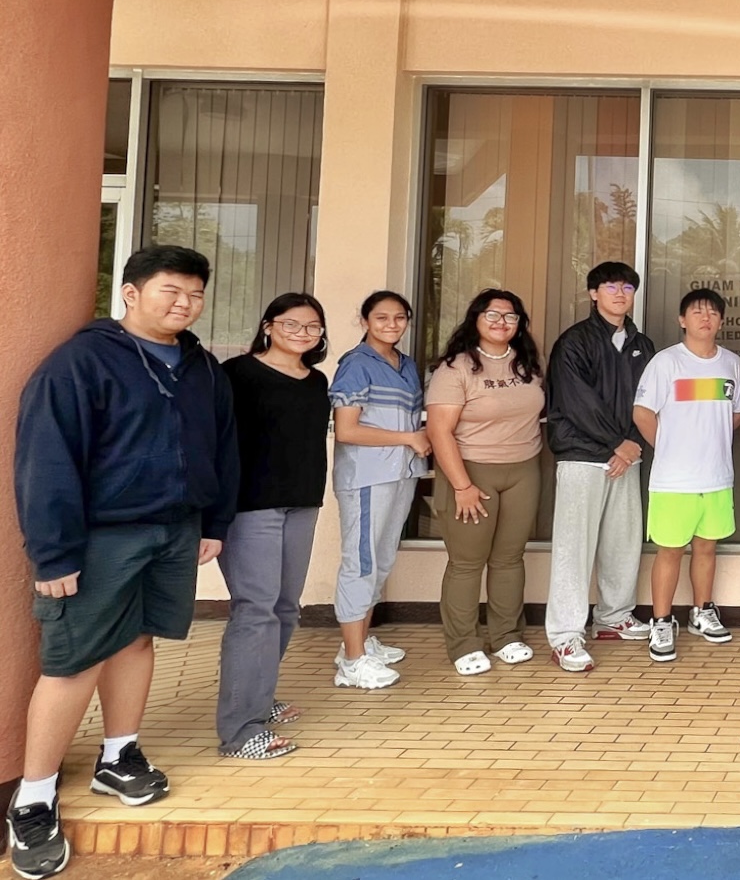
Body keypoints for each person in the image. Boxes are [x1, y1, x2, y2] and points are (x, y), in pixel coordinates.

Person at [8, 245, 238, 880]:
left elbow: (222, 445)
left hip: (176, 529)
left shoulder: (201, 366)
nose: (184, 303)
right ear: (131, 293)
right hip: (100, 537)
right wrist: (53, 552)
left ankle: (119, 755)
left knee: (138, 640)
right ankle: (33, 796)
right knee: (73, 657)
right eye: (170, 290)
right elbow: (45, 461)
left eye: (194, 293)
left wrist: (213, 522)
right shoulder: (80, 363)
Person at [215, 293, 330, 759]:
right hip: (252, 507)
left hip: (302, 503)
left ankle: (258, 697)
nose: (303, 334)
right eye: (293, 324)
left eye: (313, 327)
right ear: (268, 326)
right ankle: (240, 730)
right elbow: (218, 441)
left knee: (286, 608)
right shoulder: (238, 375)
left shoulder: (316, 380)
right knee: (255, 610)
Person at [425, 289, 545, 676]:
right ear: (475, 318)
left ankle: (507, 636)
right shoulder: (455, 367)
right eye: (492, 315)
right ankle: (464, 643)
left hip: (523, 469)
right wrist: (461, 485)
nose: (501, 322)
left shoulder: (527, 363)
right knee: (466, 563)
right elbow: (439, 431)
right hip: (471, 471)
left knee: (509, 560)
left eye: (510, 317)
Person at [542, 262, 655, 672]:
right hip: (582, 457)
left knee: (622, 542)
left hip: (626, 458)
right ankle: (566, 636)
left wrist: (634, 445)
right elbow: (576, 402)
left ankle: (613, 617)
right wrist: (619, 443)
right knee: (575, 548)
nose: (619, 293)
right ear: (593, 293)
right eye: (610, 286)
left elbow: (649, 401)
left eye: (627, 286)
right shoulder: (575, 342)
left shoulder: (643, 343)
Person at [632, 288, 740, 662]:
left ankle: (702, 612)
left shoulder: (732, 363)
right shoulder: (666, 363)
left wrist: (711, 440)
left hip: (717, 476)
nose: (706, 318)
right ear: (682, 320)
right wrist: (668, 447)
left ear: (721, 321)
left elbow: (739, 412)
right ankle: (662, 620)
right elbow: (642, 413)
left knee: (707, 546)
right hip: (673, 480)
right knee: (669, 550)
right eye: (697, 312)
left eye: (713, 313)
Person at [328, 291, 429, 692]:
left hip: (400, 473)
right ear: (365, 320)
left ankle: (360, 641)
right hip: (367, 478)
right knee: (362, 562)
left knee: (381, 559)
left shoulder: (405, 365)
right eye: (382, 317)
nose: (392, 324)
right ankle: (351, 661)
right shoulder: (356, 364)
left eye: (399, 318)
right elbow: (348, 430)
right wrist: (408, 437)